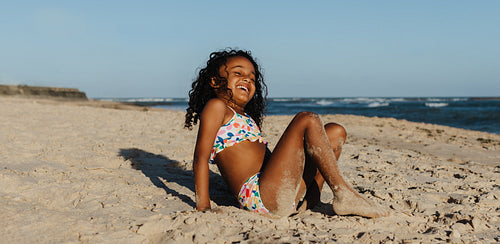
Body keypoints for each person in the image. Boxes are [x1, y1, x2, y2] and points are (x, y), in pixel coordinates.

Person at [185, 49, 389, 217]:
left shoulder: (245, 116)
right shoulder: (217, 107)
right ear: (214, 81)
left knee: (335, 131)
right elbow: (200, 157)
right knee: (307, 119)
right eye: (238, 74)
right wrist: (204, 206)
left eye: (252, 78)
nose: (247, 80)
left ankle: (312, 197)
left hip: (283, 191)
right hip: (261, 196)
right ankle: (344, 194)